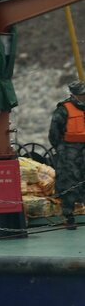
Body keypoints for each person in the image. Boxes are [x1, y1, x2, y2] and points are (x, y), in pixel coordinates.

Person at [49, 81, 85, 229]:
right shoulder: (63, 110)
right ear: (74, 95)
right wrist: (63, 149)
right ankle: (68, 216)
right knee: (68, 182)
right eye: (82, 95)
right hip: (69, 151)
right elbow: (54, 134)